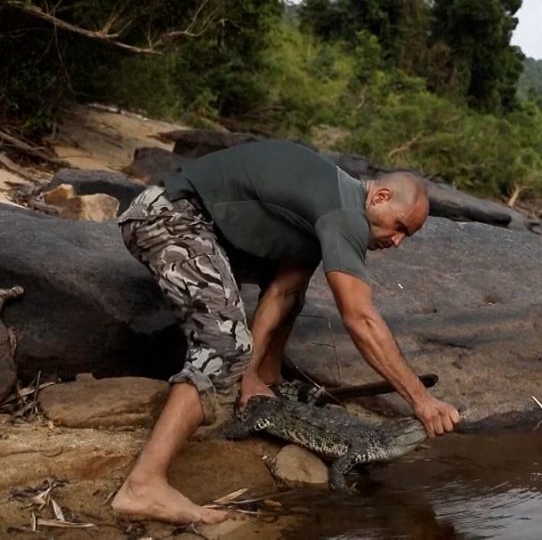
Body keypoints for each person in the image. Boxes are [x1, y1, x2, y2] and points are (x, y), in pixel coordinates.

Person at [109, 140, 461, 524]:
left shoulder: (325, 210)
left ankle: (263, 385)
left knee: (292, 298)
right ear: (381, 195)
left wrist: (250, 378)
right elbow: (360, 319)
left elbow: (283, 291)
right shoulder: (345, 214)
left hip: (203, 226)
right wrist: (421, 401)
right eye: (399, 227)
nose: (396, 242)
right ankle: (142, 486)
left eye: (406, 236)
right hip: (169, 217)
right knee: (226, 346)